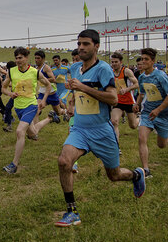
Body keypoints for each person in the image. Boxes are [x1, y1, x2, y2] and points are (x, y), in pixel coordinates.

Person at [55, 30, 145, 227]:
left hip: (101, 131)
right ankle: (72, 212)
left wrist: (83, 88)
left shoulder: (103, 69)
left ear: (96, 46)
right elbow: (75, 91)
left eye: (86, 44)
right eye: (79, 44)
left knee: (114, 175)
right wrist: (71, 100)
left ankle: (137, 175)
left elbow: (113, 98)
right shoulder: (76, 67)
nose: (81, 48)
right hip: (79, 128)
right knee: (64, 162)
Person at [1, 47, 57, 174]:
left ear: (26, 58)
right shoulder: (11, 72)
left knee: (20, 131)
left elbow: (48, 85)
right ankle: (50, 118)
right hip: (18, 107)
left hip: (31, 105)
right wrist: (10, 94)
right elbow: (3, 88)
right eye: (16, 58)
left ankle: (13, 165)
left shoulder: (35, 72)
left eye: (20, 58)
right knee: (33, 133)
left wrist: (43, 101)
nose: (18, 60)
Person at [133, 48, 168, 178]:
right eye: (142, 59)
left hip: (163, 114)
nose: (143, 61)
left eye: (147, 59)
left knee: (161, 145)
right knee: (141, 138)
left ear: (153, 61)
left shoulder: (160, 76)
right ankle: (146, 170)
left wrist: (158, 110)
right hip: (147, 113)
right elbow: (142, 93)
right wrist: (137, 103)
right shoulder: (141, 77)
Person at [109, 52, 139, 142]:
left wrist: (127, 89)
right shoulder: (111, 72)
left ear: (121, 62)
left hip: (129, 101)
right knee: (114, 121)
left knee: (133, 125)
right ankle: (116, 147)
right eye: (112, 62)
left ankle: (139, 118)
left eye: (116, 62)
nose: (114, 64)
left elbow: (137, 84)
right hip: (117, 101)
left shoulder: (126, 71)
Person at [34, 50, 63, 123]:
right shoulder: (36, 69)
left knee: (59, 112)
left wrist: (43, 79)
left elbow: (53, 78)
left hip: (51, 93)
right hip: (42, 94)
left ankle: (65, 112)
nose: (36, 60)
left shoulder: (46, 68)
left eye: (38, 58)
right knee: (37, 109)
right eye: (35, 58)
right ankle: (35, 129)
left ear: (43, 59)